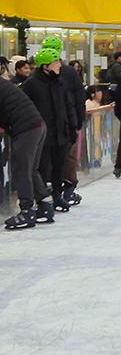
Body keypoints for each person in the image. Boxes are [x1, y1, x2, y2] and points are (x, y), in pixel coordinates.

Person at [21, 48, 74, 216]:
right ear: (45, 66)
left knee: (58, 166)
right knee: (42, 167)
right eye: (56, 62)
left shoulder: (60, 82)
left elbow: (68, 105)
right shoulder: (31, 84)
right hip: (41, 133)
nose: (59, 65)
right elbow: (25, 107)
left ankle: (57, 195)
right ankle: (42, 200)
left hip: (60, 132)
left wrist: (72, 126)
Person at [1, 77, 51, 230]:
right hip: (38, 125)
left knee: (21, 170)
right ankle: (44, 206)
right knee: (31, 169)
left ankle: (27, 210)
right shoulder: (5, 84)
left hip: (26, 129)